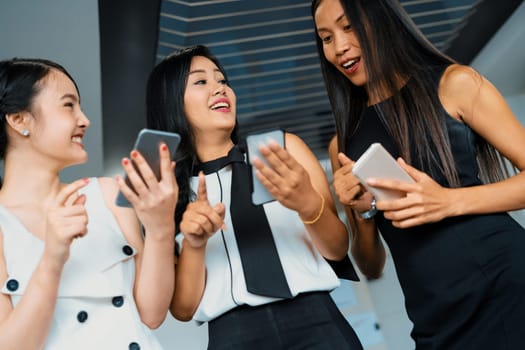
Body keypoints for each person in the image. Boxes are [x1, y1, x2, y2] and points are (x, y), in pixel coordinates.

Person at [311, 0, 525, 349]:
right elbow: (371, 266)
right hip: (433, 312)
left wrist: (447, 201)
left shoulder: (454, 83)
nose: (339, 47)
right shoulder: (343, 145)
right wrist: (363, 211)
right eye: (326, 37)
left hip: (503, 282)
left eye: (348, 27)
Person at [145, 44, 363, 349]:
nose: (219, 89)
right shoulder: (168, 194)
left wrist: (307, 204)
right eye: (201, 82)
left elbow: (337, 249)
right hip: (233, 336)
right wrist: (195, 244)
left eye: (222, 81)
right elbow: (183, 309)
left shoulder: (282, 151)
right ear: (171, 104)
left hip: (316, 323)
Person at [0, 58, 178, 349]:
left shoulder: (107, 194)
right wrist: (53, 258)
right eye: (68, 105)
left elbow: (152, 314)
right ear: (19, 119)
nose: (84, 120)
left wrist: (160, 228)